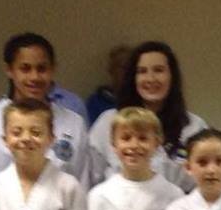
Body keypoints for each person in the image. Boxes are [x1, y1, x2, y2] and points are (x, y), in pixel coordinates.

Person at [0, 33, 89, 203]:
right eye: (25, 69)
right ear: (9, 70)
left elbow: (82, 189)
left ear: (53, 70)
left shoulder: (74, 123)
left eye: (42, 69)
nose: (34, 77)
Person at [87, 41, 208, 190]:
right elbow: (92, 181)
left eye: (159, 70)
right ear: (133, 78)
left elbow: (204, 184)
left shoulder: (194, 127)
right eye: (142, 71)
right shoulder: (108, 122)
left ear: (172, 76)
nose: (150, 79)